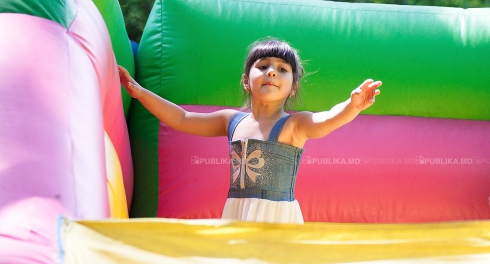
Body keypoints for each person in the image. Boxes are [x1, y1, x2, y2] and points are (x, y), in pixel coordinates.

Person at [118, 37, 381, 224]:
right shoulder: (231, 121)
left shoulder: (294, 125)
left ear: (293, 88)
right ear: (246, 81)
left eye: (282, 69)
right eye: (263, 66)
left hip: (277, 220)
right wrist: (140, 93)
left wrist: (352, 105)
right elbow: (182, 118)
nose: (271, 73)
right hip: (237, 212)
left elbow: (326, 120)